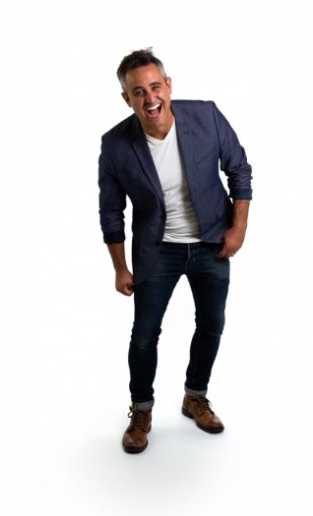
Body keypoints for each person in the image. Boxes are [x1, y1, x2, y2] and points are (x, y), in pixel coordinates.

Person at [98, 48, 252, 453]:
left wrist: (238, 228)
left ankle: (195, 397)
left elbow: (239, 169)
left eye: (155, 87)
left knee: (211, 324)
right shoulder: (115, 144)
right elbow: (111, 211)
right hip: (157, 251)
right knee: (144, 335)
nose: (149, 98)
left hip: (211, 244)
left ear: (168, 85)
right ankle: (141, 410)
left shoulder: (206, 116)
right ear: (127, 99)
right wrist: (120, 267)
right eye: (138, 92)